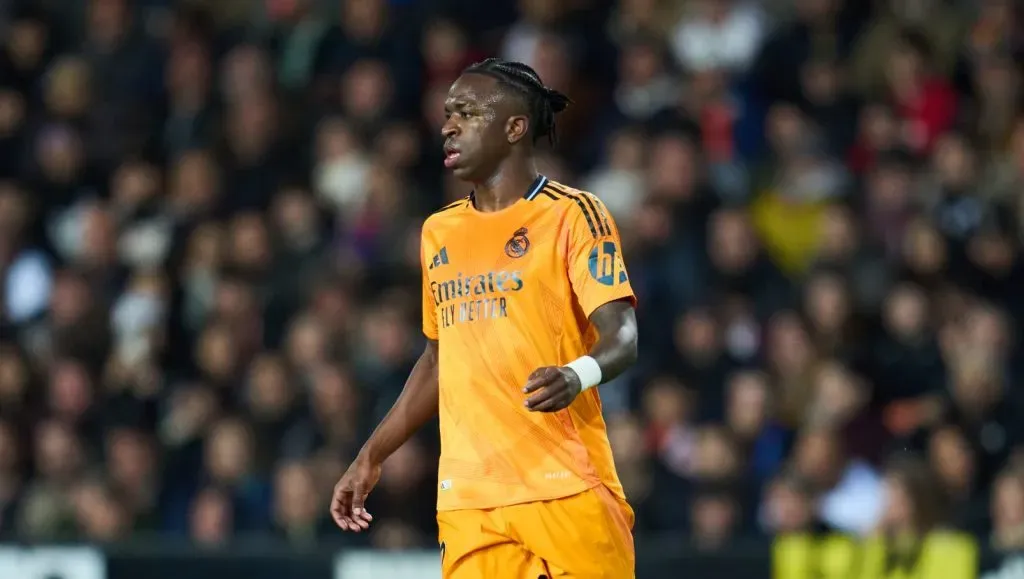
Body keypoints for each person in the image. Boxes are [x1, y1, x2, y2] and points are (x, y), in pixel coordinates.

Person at [330, 57, 639, 578]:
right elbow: (438, 360)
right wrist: (372, 453)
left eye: (467, 113)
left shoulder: (573, 214)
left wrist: (575, 374)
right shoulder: (438, 233)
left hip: (565, 486)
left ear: (515, 127)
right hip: (470, 500)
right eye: (448, 113)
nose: (448, 125)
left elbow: (623, 336)